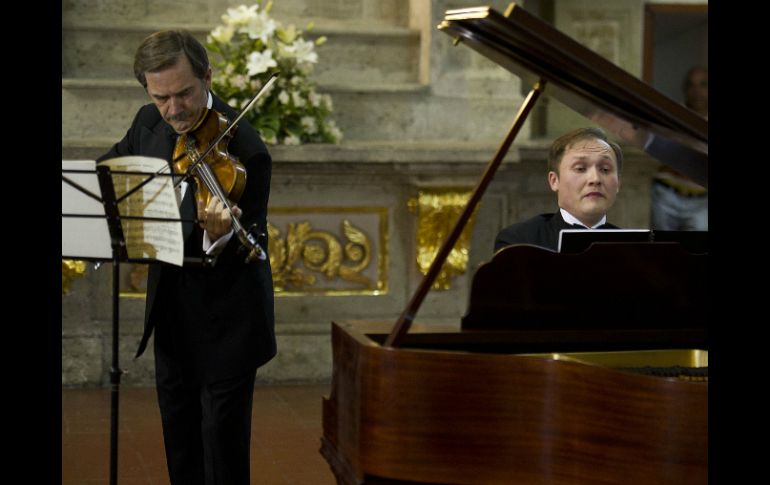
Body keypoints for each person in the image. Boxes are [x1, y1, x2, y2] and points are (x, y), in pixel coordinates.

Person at [97, 30, 276, 485]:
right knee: (180, 442)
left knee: (222, 451)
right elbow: (108, 174)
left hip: (229, 322)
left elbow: (248, 244)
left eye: (184, 94)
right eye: (162, 98)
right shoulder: (148, 124)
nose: (174, 110)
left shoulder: (246, 148)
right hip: (172, 314)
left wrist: (216, 237)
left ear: (207, 76)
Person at [494, 127, 621, 252]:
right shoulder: (519, 241)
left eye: (605, 169)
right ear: (554, 181)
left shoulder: (635, 246)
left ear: (618, 183)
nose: (595, 179)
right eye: (580, 168)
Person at [649, 66, 708, 231]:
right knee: (664, 249)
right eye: (691, 85)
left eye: (703, 85)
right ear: (685, 89)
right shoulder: (670, 117)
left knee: (699, 251)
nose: (697, 91)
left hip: (701, 200)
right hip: (666, 194)